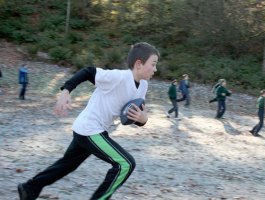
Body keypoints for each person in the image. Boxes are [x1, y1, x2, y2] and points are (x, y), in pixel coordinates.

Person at [17, 42, 160, 200]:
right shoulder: (118, 77)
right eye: (153, 64)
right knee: (125, 164)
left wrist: (143, 119)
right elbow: (88, 72)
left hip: (89, 129)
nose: (155, 69)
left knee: (66, 165)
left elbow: (136, 116)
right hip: (90, 129)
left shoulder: (143, 87)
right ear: (139, 64)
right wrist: (65, 92)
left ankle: (29, 188)